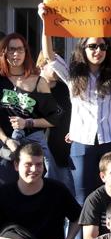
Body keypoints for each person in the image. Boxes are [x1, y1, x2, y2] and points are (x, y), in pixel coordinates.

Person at [38, 3, 111, 207]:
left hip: (108, 144)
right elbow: (50, 57)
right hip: (81, 145)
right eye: (92, 46)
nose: (98, 50)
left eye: (102, 46)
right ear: (83, 48)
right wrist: (46, 22)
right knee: (82, 201)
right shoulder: (73, 75)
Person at [0, 143, 81, 239]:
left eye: (39, 164)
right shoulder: (4, 193)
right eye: (28, 164)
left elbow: (78, 217)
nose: (34, 169)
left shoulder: (57, 190)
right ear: (16, 165)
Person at [0, 33, 66, 186]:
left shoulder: (38, 81)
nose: (16, 54)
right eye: (11, 50)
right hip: (5, 149)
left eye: (20, 49)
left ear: (26, 52)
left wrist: (27, 122)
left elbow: (54, 118)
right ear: (4, 52)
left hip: (32, 151)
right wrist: (7, 140)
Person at [35, 51, 73, 187]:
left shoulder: (65, 89)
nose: (58, 69)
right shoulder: (32, 88)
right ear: (41, 66)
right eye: (53, 65)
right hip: (40, 153)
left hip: (64, 152)